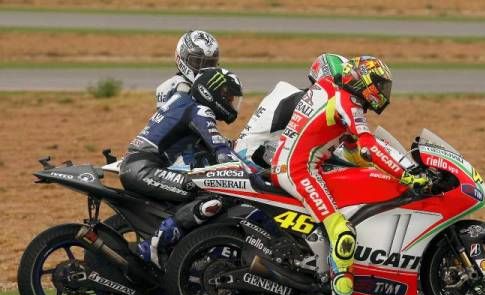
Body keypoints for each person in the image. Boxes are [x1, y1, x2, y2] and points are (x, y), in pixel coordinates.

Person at [270, 56, 428, 295]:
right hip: (300, 169)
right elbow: (369, 147)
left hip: (294, 163)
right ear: (366, 84)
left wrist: (381, 169)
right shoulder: (348, 102)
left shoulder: (333, 88)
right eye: (380, 86)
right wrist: (406, 175)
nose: (383, 93)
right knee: (342, 233)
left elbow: (354, 151)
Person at [119, 67, 243, 267]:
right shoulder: (200, 110)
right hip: (145, 168)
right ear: (211, 91)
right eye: (228, 97)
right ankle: (157, 244)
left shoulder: (184, 102)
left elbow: (214, 146)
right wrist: (251, 173)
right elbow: (221, 151)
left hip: (139, 164)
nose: (231, 104)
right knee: (212, 194)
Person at [234, 53, 348, 170]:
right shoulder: (302, 100)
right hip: (253, 163)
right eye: (340, 83)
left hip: (252, 156)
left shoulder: (290, 94)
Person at [156, 30, 220, 169]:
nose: (204, 69)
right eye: (198, 62)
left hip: (197, 153)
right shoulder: (176, 86)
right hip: (178, 160)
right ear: (182, 57)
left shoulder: (201, 89)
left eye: (210, 64)